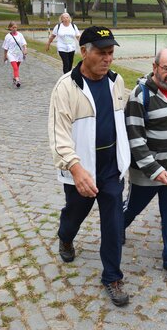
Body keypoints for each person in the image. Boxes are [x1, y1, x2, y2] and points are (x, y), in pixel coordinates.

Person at [48, 26, 130, 307]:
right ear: (84, 52)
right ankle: (65, 236)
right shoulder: (66, 87)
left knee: (113, 223)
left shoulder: (116, 81)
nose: (108, 59)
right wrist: (75, 168)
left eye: (111, 53)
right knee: (75, 214)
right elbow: (58, 136)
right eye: (102, 53)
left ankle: (112, 277)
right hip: (81, 170)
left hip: (111, 168)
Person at [123, 48, 167, 282]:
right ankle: (116, 228)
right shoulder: (139, 95)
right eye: (166, 69)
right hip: (147, 172)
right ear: (155, 67)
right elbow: (135, 138)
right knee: (131, 209)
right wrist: (154, 170)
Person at [2, 21, 28, 88]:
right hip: (11, 54)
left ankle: (14, 78)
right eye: (13, 27)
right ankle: (17, 80)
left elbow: (24, 43)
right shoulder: (8, 36)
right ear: (10, 28)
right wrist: (5, 56)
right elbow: (5, 47)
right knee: (15, 67)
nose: (14, 29)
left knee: (17, 67)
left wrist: (25, 49)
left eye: (16, 27)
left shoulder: (20, 35)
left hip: (19, 53)